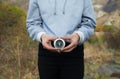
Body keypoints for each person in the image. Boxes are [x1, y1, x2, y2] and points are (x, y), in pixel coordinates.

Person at [26, 0, 96, 79]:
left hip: (74, 53)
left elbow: (89, 23)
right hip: (46, 52)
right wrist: (42, 36)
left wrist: (78, 36)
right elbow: (32, 23)